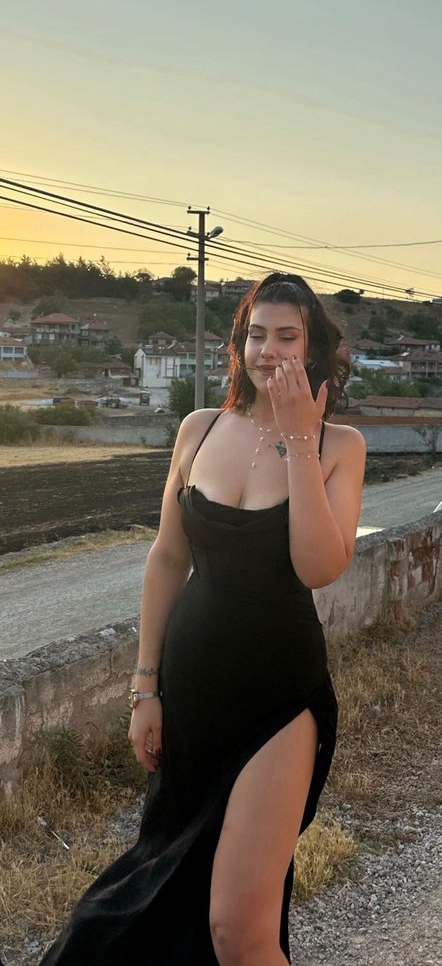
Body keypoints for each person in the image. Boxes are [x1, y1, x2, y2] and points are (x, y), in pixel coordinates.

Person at [38, 273, 366, 966]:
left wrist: (301, 443)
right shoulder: (200, 428)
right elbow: (166, 558)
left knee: (238, 932)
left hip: (279, 698)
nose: (269, 351)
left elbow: (318, 567)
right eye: (257, 335)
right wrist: (145, 688)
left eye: (287, 336)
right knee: (160, 895)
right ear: (239, 344)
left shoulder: (340, 446)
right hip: (190, 690)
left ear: (311, 349)